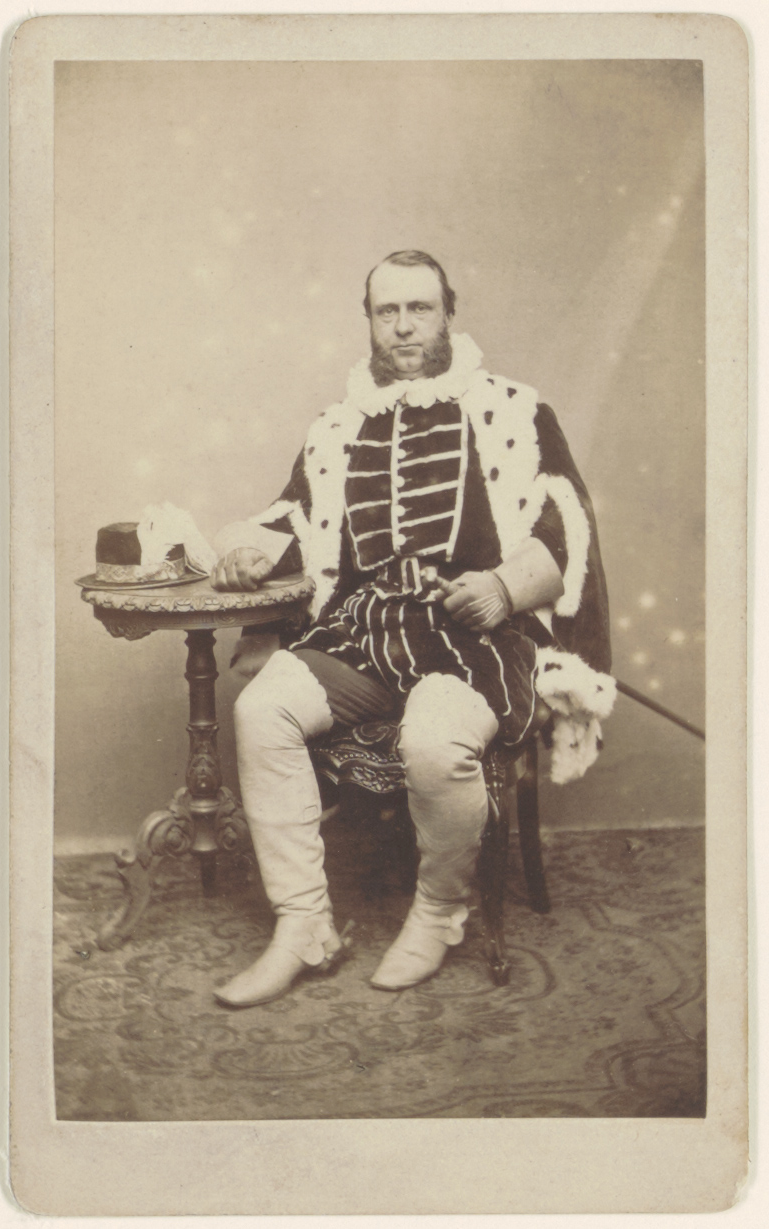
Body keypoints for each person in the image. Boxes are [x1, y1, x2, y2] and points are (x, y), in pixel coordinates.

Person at [210, 250, 613, 1008]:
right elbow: (298, 519)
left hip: (477, 636)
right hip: (366, 630)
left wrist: (501, 586)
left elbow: (566, 527)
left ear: (448, 314)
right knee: (261, 710)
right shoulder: (338, 427)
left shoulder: (515, 411)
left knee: (433, 740)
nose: (403, 326)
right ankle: (304, 925)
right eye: (386, 311)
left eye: (419, 309)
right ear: (368, 321)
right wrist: (248, 550)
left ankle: (437, 913)